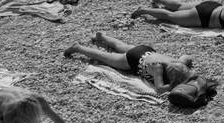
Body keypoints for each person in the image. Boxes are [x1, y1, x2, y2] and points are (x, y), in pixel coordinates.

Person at [63, 31, 195, 90]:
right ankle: (79, 48)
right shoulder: (158, 69)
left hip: (145, 50)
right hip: (132, 60)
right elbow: (159, 88)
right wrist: (172, 86)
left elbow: (186, 57)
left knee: (120, 45)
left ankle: (103, 36)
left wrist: (186, 65)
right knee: (104, 57)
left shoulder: (177, 63)